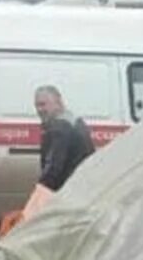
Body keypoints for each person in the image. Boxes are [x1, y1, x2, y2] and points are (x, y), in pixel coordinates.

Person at [23, 85, 96, 220]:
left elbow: (53, 166)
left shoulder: (61, 127)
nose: (39, 110)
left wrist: (35, 203)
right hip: (81, 188)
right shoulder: (74, 120)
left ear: (58, 103)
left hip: (68, 192)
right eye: (37, 106)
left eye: (43, 104)